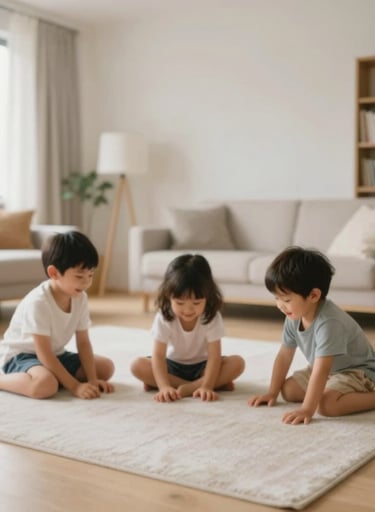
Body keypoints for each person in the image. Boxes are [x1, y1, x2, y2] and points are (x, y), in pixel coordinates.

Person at [248, 246, 375, 425]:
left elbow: (322, 369)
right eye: (276, 298)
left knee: (326, 406)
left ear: (314, 295)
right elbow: (284, 355)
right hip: (328, 370)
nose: (280, 306)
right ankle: (330, 392)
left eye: (286, 300)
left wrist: (307, 409)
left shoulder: (330, 322)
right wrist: (272, 392)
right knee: (288, 390)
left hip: (356, 372)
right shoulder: (294, 315)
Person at [0, 230, 115, 400]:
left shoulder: (79, 297)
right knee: (45, 386)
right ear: (54, 273)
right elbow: (43, 352)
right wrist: (74, 386)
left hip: (57, 354)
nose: (86, 283)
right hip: (23, 356)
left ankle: (54, 376)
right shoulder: (39, 302)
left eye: (90, 275)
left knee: (105, 368)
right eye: (79, 276)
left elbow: (83, 343)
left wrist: (92, 380)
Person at [131, 253, 245, 402]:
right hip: (171, 366)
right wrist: (164, 386)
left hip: (203, 367)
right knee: (137, 365)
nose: (188, 310)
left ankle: (191, 386)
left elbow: (214, 357)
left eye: (196, 303)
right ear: (168, 295)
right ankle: (201, 385)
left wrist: (208, 386)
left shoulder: (211, 316)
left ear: (208, 295)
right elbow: (158, 356)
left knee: (238, 363)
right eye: (179, 303)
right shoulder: (164, 317)